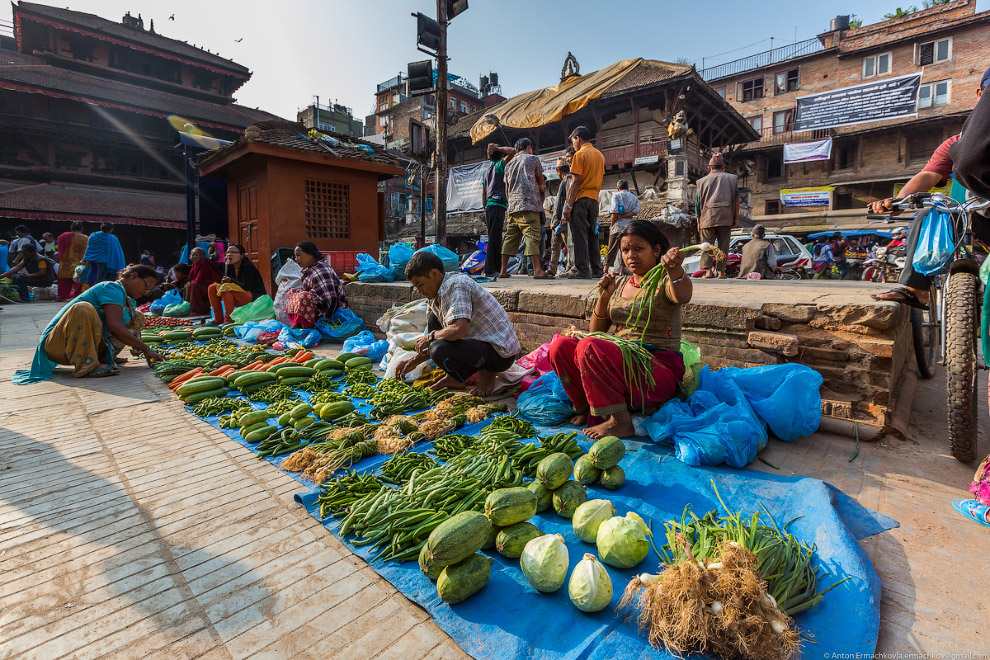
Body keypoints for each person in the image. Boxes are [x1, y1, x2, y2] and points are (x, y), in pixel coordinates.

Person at [548, 220, 689, 439]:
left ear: (657, 250)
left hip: (656, 371)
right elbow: (597, 332)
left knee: (590, 346)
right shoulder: (621, 283)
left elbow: (683, 295)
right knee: (561, 345)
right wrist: (605, 296)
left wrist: (676, 270)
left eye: (638, 248)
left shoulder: (665, 280)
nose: (631, 255)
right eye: (625, 250)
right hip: (621, 365)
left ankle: (619, 421)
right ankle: (584, 406)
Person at [869, 69, 987, 307]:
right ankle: (916, 288)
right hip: (976, 220)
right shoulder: (957, 143)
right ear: (980, 95)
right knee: (927, 215)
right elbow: (928, 175)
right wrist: (899, 200)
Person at [395, 251, 521, 397]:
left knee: (437, 347)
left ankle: (488, 373)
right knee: (434, 320)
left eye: (420, 284)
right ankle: (455, 378)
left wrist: (431, 336)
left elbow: (459, 330)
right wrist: (412, 361)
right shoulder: (435, 296)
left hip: (500, 353)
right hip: (479, 344)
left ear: (434, 274)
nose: (419, 291)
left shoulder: (456, 285)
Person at [12, 264, 164, 384]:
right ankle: (87, 365)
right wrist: (146, 349)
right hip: (58, 345)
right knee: (82, 309)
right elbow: (114, 326)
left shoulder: (128, 299)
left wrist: (137, 342)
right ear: (133, 276)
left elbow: (131, 325)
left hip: (81, 345)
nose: (147, 291)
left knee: (137, 316)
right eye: (147, 286)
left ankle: (106, 355)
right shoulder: (112, 287)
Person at [500, 137, 550, 279]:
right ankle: (537, 270)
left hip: (513, 207)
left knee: (510, 238)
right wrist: (542, 187)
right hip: (529, 204)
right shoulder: (533, 158)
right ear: (528, 147)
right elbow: (541, 182)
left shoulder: (508, 165)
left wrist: (511, 203)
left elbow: (507, 189)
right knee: (533, 237)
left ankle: (503, 270)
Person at [563, 126, 605, 279]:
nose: (573, 144)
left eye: (573, 140)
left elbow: (576, 182)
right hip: (594, 200)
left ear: (578, 138)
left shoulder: (580, 154)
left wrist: (568, 205)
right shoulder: (599, 155)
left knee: (579, 236)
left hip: (580, 199)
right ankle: (597, 270)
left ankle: (583, 270)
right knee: (592, 235)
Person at [695, 153, 739, 278]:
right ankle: (721, 273)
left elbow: (698, 203)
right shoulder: (732, 179)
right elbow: (737, 199)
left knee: (707, 246)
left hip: (707, 217)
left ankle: (708, 272)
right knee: (723, 245)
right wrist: (735, 218)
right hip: (726, 217)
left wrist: (698, 221)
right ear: (723, 166)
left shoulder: (701, 182)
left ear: (709, 168)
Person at [284, 241, 347, 328]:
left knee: (303, 296)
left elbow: (330, 300)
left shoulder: (321, 271)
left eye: (298, 255)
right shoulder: (311, 270)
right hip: (319, 308)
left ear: (311, 254)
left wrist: (326, 321)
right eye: (295, 256)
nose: (296, 259)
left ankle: (310, 326)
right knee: (292, 292)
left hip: (332, 313)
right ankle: (299, 324)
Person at [207, 243, 267, 324]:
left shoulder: (247, 266)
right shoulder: (230, 266)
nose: (229, 254)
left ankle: (229, 319)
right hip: (239, 294)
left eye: (233, 252)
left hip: (254, 296)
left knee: (226, 288)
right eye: (228, 252)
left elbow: (245, 287)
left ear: (241, 255)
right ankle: (218, 319)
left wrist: (231, 280)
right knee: (212, 287)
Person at [482, 143, 515, 277]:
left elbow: (483, 193)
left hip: (489, 206)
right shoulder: (499, 167)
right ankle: (490, 268)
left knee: (494, 237)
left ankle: (494, 267)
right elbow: (513, 151)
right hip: (497, 204)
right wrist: (499, 149)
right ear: (501, 156)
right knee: (494, 238)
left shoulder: (486, 171)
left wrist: (485, 207)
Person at [604, 179, 640, 272]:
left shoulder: (616, 196)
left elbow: (614, 213)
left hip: (617, 225)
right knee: (626, 248)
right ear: (628, 188)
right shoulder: (634, 197)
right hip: (629, 226)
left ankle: (606, 269)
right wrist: (624, 216)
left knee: (612, 247)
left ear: (618, 188)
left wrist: (612, 224)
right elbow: (635, 212)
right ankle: (622, 270)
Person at [79, 222, 126, 288]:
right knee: (104, 282)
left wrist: (84, 259)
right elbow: (116, 252)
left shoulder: (93, 236)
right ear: (111, 229)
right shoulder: (112, 238)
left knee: (93, 280)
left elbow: (89, 248)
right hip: (106, 263)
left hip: (93, 262)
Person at [548, 156, 573, 277]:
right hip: (557, 220)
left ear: (559, 171)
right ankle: (552, 269)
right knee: (555, 247)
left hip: (562, 220)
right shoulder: (564, 181)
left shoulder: (568, 179)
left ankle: (569, 267)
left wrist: (563, 218)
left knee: (568, 245)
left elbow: (567, 200)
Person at [184, 246, 222, 315]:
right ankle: (190, 308)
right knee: (188, 285)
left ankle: (198, 310)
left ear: (202, 256)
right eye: (193, 255)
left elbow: (200, 279)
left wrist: (191, 283)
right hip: (201, 283)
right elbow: (191, 277)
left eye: (197, 255)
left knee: (194, 285)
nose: (194, 257)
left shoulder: (204, 263)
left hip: (210, 285)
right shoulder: (194, 264)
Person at [56, 221, 88, 301]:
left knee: (64, 280)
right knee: (78, 279)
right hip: (80, 261)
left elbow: (60, 249)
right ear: (82, 229)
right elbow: (87, 251)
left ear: (71, 228)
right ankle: (78, 296)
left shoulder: (63, 236)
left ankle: (63, 296)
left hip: (66, 261)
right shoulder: (86, 238)